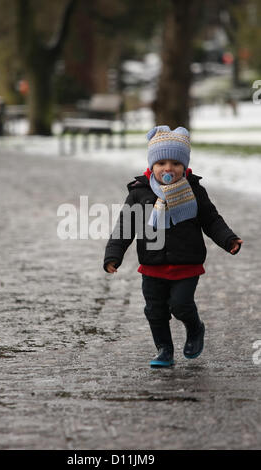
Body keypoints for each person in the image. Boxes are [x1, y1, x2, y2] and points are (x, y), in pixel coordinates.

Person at [103, 125, 243, 368]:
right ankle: (164, 349)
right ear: (151, 167)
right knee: (155, 310)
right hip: (152, 264)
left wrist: (228, 239)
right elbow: (125, 226)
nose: (168, 169)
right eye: (161, 163)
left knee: (180, 305)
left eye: (176, 164)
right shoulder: (139, 194)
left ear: (184, 167)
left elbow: (211, 220)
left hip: (186, 263)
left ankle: (195, 328)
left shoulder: (195, 191)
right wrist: (113, 255)